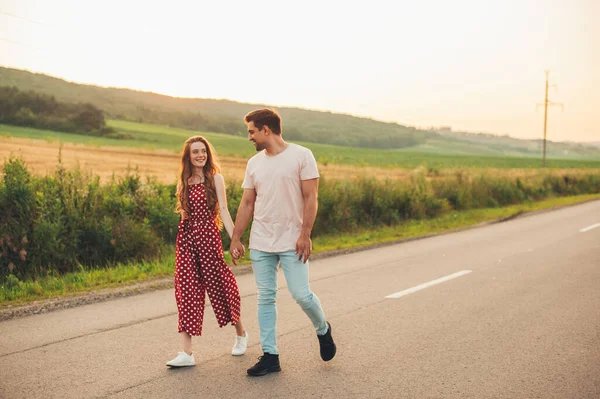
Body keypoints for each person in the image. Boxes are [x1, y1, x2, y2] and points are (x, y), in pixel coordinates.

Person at [230, 108, 336, 377]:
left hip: (293, 241)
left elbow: (311, 197)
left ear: (266, 130)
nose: (250, 137)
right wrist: (236, 237)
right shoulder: (254, 163)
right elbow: (247, 202)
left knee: (301, 294)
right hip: (262, 240)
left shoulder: (302, 156)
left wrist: (305, 233)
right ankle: (270, 355)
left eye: (252, 131)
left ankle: (322, 328)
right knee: (265, 297)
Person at [166, 136, 248, 367]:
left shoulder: (215, 179)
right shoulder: (183, 182)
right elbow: (184, 216)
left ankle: (241, 333)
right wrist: (184, 246)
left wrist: (235, 239)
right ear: (188, 156)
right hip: (187, 240)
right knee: (187, 291)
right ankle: (187, 353)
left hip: (209, 239)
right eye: (195, 152)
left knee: (220, 286)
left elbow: (223, 210)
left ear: (207, 154)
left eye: (203, 151)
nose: (200, 155)